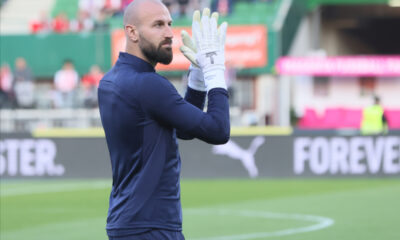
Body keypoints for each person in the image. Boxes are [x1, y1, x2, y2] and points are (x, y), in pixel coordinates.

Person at [98, 0, 229, 239]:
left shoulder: (110, 80)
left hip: (126, 223)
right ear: (132, 32)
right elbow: (218, 130)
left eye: (169, 23)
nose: (169, 33)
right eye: (158, 25)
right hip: (151, 227)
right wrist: (215, 72)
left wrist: (197, 78)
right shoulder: (149, 84)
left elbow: (184, 129)